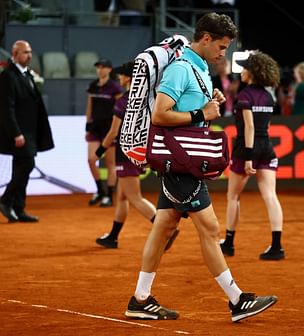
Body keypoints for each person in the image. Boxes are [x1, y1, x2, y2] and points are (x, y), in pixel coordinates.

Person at [124, 12, 278, 322]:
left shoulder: (200, 70)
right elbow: (160, 115)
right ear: (205, 39)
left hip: (183, 161)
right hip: (180, 162)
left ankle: (140, 299)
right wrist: (200, 113)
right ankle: (236, 300)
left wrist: (209, 103)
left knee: (163, 227)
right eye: (221, 47)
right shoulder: (181, 69)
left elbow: (193, 108)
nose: (224, 54)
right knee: (209, 229)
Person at [219, 51, 284, 261]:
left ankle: (228, 243)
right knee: (270, 196)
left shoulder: (245, 96)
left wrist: (247, 157)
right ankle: (277, 246)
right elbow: (265, 126)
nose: (242, 71)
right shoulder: (268, 96)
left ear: (253, 72)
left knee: (233, 197)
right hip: (266, 147)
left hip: (246, 148)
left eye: (245, 68)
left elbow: (249, 127)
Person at [92, 61, 160, 249]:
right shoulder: (147, 98)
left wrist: (99, 152)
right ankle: (113, 237)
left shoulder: (124, 100)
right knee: (122, 197)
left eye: (122, 74)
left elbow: (113, 132)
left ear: (129, 78)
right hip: (138, 150)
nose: (119, 77)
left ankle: (165, 228)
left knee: (134, 198)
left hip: (125, 152)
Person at [0, 40, 54, 223]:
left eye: (30, 52)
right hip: (19, 133)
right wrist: (15, 133)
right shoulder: (8, 76)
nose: (29, 55)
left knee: (21, 168)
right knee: (27, 165)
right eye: (25, 52)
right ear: (14, 55)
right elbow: (6, 108)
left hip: (30, 131)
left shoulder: (27, 75)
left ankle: (19, 208)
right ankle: (6, 200)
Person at [85, 58, 122, 207]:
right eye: (98, 67)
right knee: (91, 160)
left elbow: (120, 108)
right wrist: (87, 125)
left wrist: (117, 128)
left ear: (109, 69)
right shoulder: (93, 86)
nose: (100, 70)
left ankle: (109, 195)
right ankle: (100, 190)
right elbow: (89, 106)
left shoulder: (115, 87)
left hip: (110, 129)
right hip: (95, 128)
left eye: (103, 67)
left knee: (110, 163)